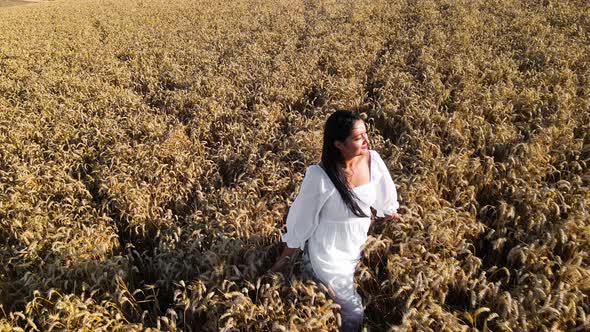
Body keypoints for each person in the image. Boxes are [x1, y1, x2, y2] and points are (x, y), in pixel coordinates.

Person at [270, 109, 401, 331]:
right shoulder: (319, 177)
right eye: (358, 138)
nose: (366, 140)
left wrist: (394, 223)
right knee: (353, 312)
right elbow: (301, 225)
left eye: (365, 133)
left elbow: (386, 205)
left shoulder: (373, 161)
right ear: (338, 144)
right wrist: (280, 265)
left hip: (360, 243)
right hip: (330, 253)